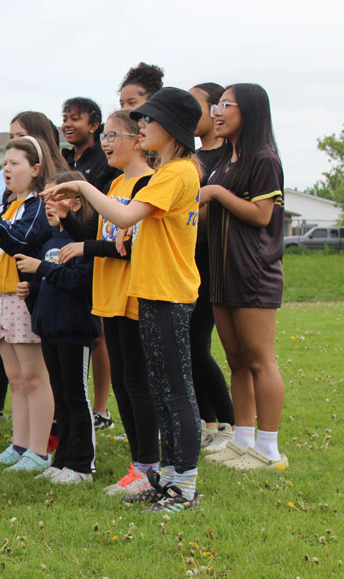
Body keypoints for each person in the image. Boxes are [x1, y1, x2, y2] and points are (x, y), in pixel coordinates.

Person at [46, 87, 204, 513]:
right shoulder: (171, 172)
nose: (143, 126)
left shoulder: (176, 172)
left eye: (149, 120)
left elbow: (123, 215)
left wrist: (81, 186)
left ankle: (184, 488)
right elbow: (130, 226)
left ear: (171, 127)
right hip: (152, 290)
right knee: (163, 390)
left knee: (175, 393)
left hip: (168, 292)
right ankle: (167, 480)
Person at [57, 110, 160, 496]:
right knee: (121, 382)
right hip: (109, 295)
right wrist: (67, 219)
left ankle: (148, 468)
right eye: (106, 136)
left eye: (113, 135)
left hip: (133, 294)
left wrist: (85, 246)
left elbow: (127, 246)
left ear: (138, 140)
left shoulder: (148, 185)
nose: (105, 143)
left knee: (136, 383)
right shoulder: (116, 182)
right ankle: (138, 466)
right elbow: (94, 233)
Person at [200, 83, 288, 470]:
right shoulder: (224, 162)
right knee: (236, 360)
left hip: (253, 273)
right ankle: (242, 441)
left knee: (259, 361)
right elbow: (208, 214)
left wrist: (217, 193)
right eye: (216, 106)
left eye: (225, 105)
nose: (217, 112)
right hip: (222, 274)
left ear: (248, 110)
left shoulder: (264, 159)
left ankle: (268, 450)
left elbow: (262, 215)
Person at [0, 111, 68, 424]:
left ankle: (39, 444)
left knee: (34, 379)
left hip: (23, 298)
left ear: (36, 168)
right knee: (17, 379)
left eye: (15, 163)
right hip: (0, 297)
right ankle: (20, 444)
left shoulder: (37, 205)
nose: (6, 169)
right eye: (5, 163)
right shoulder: (6, 206)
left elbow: (20, 243)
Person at [16, 172, 100, 484]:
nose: (49, 205)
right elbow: (47, 284)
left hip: (75, 329)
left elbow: (78, 282)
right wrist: (31, 290)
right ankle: (63, 459)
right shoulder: (49, 241)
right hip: (50, 329)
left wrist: (43, 268)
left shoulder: (82, 242)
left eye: (57, 197)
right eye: (47, 198)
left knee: (76, 397)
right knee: (60, 398)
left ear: (76, 203)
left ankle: (83, 465)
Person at [60, 97, 115, 431]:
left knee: (98, 335)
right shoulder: (64, 159)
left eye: (75, 118)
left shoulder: (106, 161)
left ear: (94, 125)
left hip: (96, 246)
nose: (67, 124)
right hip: (67, 243)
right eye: (64, 118)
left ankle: (100, 409)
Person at [188, 83, 235, 452]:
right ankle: (208, 423)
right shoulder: (190, 157)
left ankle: (229, 423)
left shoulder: (228, 156)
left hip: (212, 264)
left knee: (197, 345)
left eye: (196, 104)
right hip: (183, 262)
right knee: (186, 348)